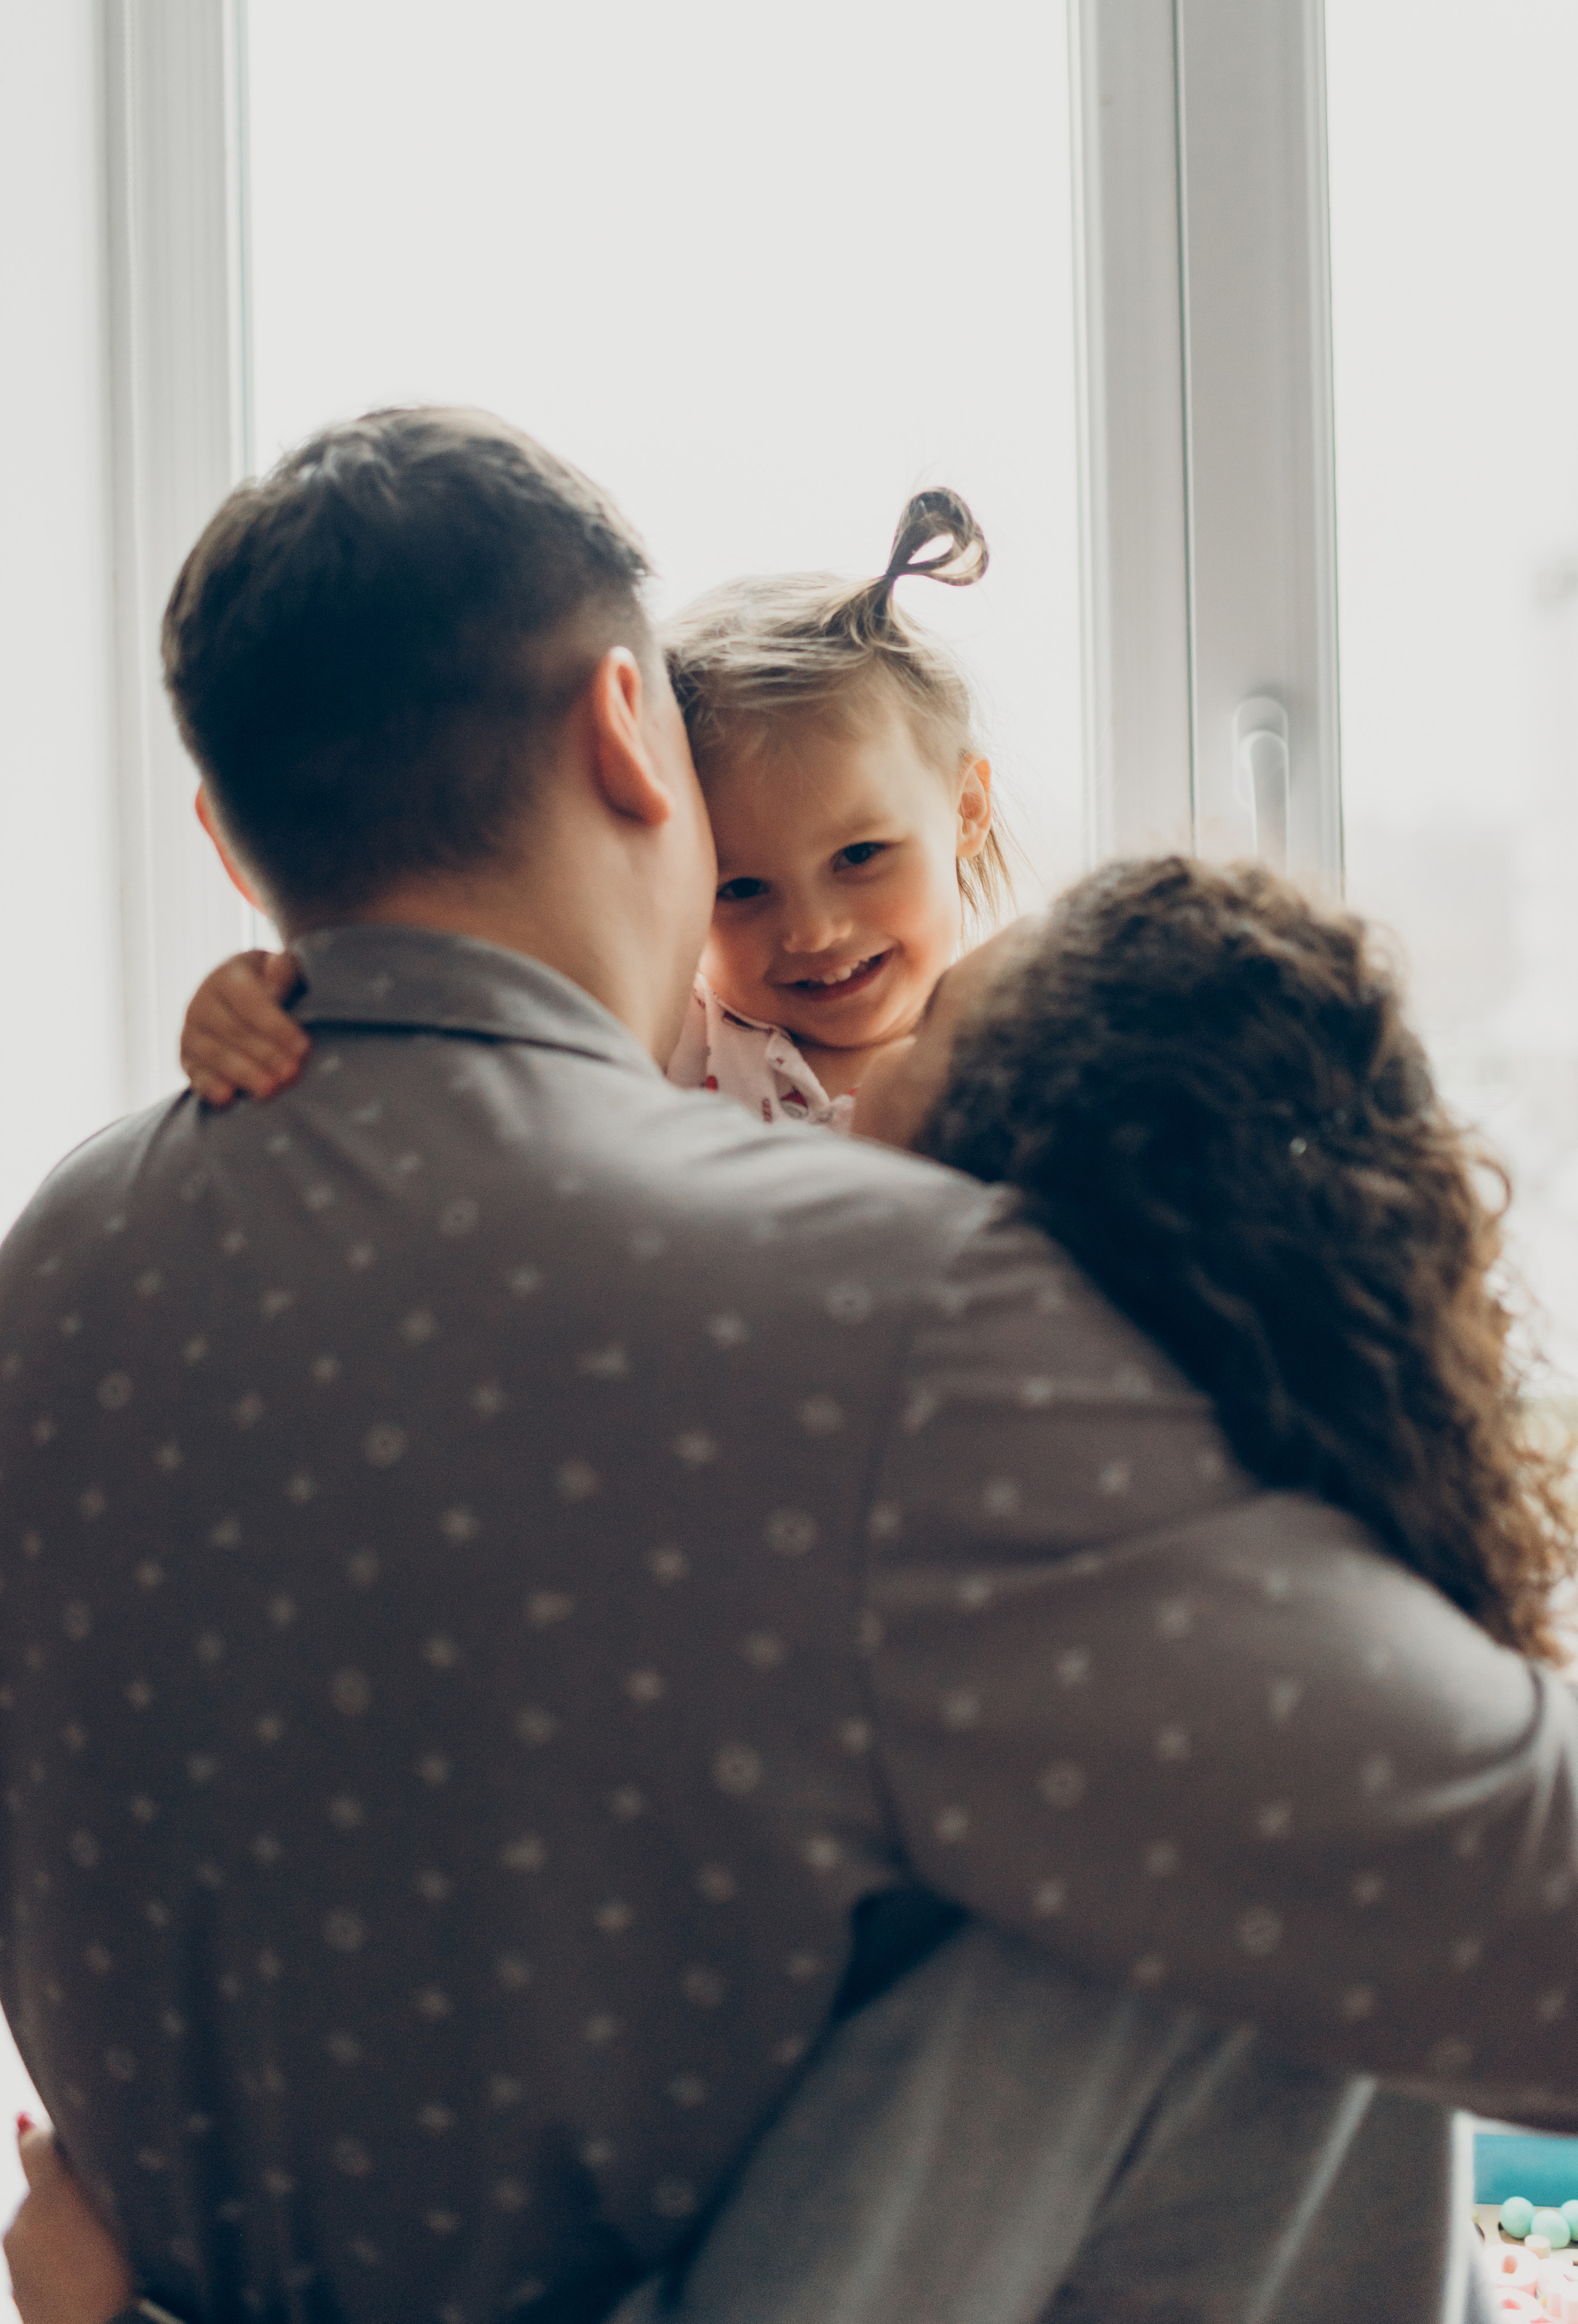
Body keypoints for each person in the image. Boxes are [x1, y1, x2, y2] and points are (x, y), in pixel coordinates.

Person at [5, 409, 1578, 2324]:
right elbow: (1527, 1915)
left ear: (230, 840)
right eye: (754, 879)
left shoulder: (54, 1272)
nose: (812, 935)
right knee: (1241, 1899)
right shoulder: (874, 1320)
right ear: (624, 729)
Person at [178, 488, 1009, 1135]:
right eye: (742, 888)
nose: (814, 933)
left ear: (967, 809)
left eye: (861, 855)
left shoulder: (1012, 1031)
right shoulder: (673, 1034)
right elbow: (456, 1013)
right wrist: (263, 1005)